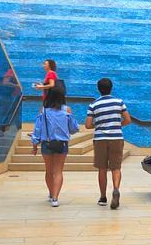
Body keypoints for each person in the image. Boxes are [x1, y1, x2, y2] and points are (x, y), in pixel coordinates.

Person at [85, 78, 131, 209]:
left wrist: (99, 124)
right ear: (111, 88)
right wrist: (118, 125)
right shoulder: (119, 102)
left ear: (98, 89)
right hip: (116, 138)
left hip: (100, 139)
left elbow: (88, 125)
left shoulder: (94, 104)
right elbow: (127, 119)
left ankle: (103, 197)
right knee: (116, 167)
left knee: (102, 168)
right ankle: (116, 189)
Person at [30, 88, 79, 207]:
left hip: (46, 144)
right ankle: (55, 198)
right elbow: (74, 128)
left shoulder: (43, 111)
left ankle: (51, 193)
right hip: (62, 144)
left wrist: (35, 144)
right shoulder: (67, 110)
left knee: (49, 171)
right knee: (58, 171)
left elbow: (37, 129)